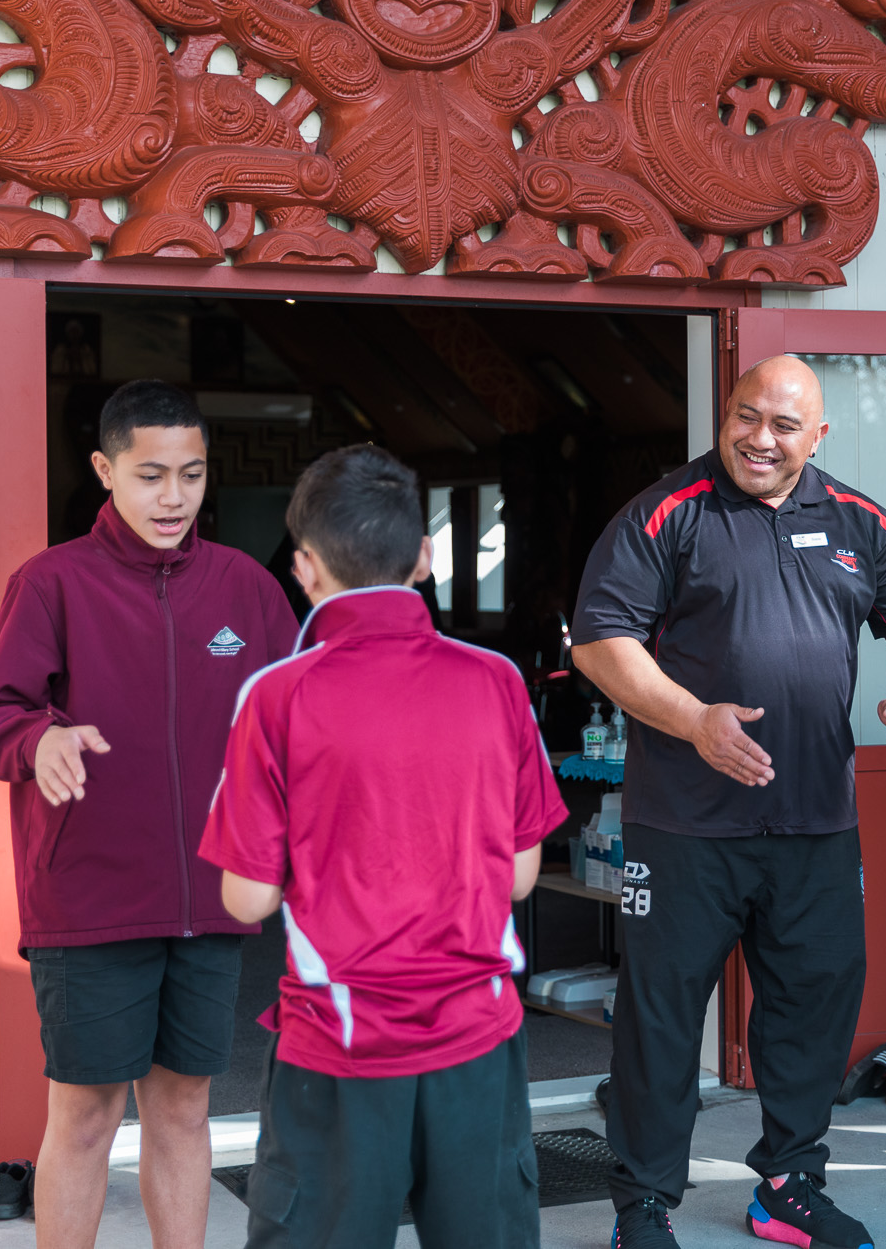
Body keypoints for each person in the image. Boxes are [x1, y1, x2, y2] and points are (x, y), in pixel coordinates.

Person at [570, 356, 886, 1249]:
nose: (760, 439)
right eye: (746, 416)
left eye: (783, 425)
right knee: (661, 1019)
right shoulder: (667, 512)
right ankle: (643, 1204)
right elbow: (599, 640)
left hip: (816, 823)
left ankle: (789, 1183)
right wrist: (693, 719)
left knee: (814, 1006)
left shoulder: (860, 520)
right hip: (684, 825)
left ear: (818, 437)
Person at [0, 381, 299, 1249]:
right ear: (106, 469)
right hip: (90, 900)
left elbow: (299, 720)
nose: (174, 497)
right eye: (151, 475)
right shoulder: (51, 582)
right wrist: (38, 738)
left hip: (211, 897)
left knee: (184, 1108)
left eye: (191, 473)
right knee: (85, 1117)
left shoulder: (248, 589)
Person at [200, 445, 565, 1249]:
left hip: (337, 1041)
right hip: (477, 1034)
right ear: (425, 557)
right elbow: (520, 875)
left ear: (304, 567)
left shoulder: (276, 695)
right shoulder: (497, 680)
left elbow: (247, 895)